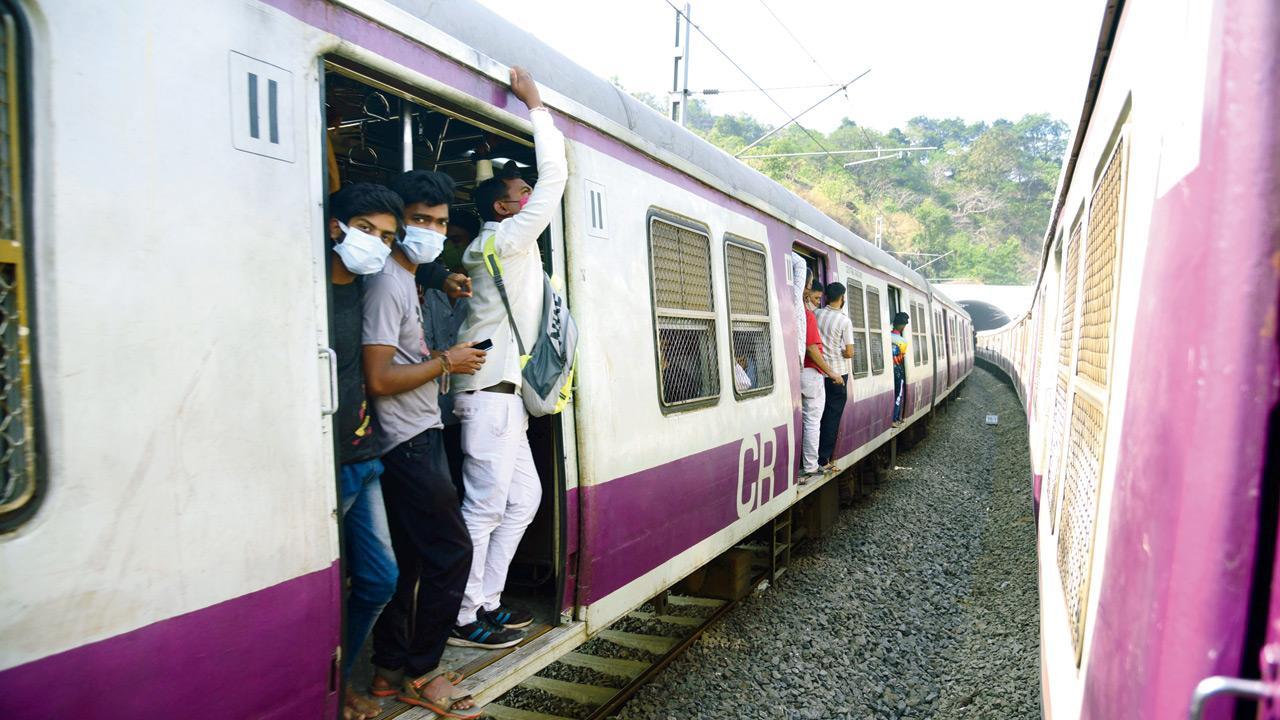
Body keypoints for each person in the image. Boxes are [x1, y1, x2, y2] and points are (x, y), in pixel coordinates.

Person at [364, 169, 488, 717]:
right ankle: (424, 670)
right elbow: (380, 378)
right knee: (452, 551)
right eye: (419, 220)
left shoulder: (409, 276)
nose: (431, 230)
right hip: (407, 439)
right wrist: (448, 361)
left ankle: (389, 670)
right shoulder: (390, 283)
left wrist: (440, 280)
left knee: (411, 560)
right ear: (399, 222)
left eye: (439, 222)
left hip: (415, 433)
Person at [451, 66, 567, 644]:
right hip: (490, 399)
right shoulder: (505, 241)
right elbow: (556, 180)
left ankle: (487, 599)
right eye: (519, 199)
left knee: (523, 499)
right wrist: (535, 107)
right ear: (503, 210)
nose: (529, 204)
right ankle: (462, 615)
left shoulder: (495, 246)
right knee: (484, 509)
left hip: (505, 399)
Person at [327, 184, 402, 720]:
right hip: (329, 465)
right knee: (321, 590)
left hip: (364, 456)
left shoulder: (365, 287)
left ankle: (338, 683)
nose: (376, 244)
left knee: (378, 580)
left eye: (386, 237)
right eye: (366, 230)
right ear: (337, 227)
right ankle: (330, 693)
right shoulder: (312, 292)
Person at [800, 281, 842, 482]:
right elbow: (811, 349)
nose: (817, 303)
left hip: (800, 372)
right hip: (812, 372)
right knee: (813, 421)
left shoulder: (798, 314)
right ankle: (810, 465)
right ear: (806, 293)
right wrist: (832, 373)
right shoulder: (807, 316)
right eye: (816, 298)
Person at [815, 282, 855, 469]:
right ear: (842, 298)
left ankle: (811, 456)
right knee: (832, 416)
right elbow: (849, 352)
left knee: (817, 415)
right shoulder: (845, 321)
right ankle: (824, 459)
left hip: (817, 371)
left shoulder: (816, 314)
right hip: (837, 374)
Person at [891, 311, 910, 427]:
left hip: (889, 370)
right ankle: (894, 419)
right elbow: (901, 357)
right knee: (898, 395)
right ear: (903, 326)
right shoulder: (903, 342)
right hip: (898, 371)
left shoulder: (886, 337)